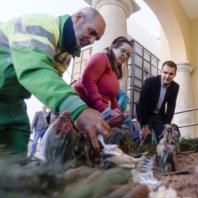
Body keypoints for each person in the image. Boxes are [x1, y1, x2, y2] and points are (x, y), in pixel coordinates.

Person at [0, 7, 109, 154]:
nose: (91, 41)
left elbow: (51, 84)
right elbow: (36, 70)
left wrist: (62, 115)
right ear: (78, 17)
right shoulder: (41, 25)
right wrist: (78, 109)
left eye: (96, 39)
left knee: (16, 158)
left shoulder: (66, 55)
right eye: (91, 32)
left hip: (15, 104)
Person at [72, 36, 132, 124]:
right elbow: (88, 81)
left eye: (128, 55)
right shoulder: (101, 57)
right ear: (113, 47)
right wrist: (104, 109)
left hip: (96, 109)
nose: (125, 56)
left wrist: (118, 112)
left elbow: (112, 97)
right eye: (123, 51)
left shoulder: (114, 72)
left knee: (127, 121)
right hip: (81, 106)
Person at [136, 60, 179, 141]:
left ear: (175, 74)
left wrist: (166, 125)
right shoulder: (149, 82)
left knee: (163, 138)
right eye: (165, 72)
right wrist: (145, 125)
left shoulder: (175, 87)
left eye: (171, 74)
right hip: (144, 113)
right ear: (161, 72)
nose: (167, 76)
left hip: (158, 115)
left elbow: (171, 107)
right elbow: (142, 104)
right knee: (146, 139)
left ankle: (161, 153)